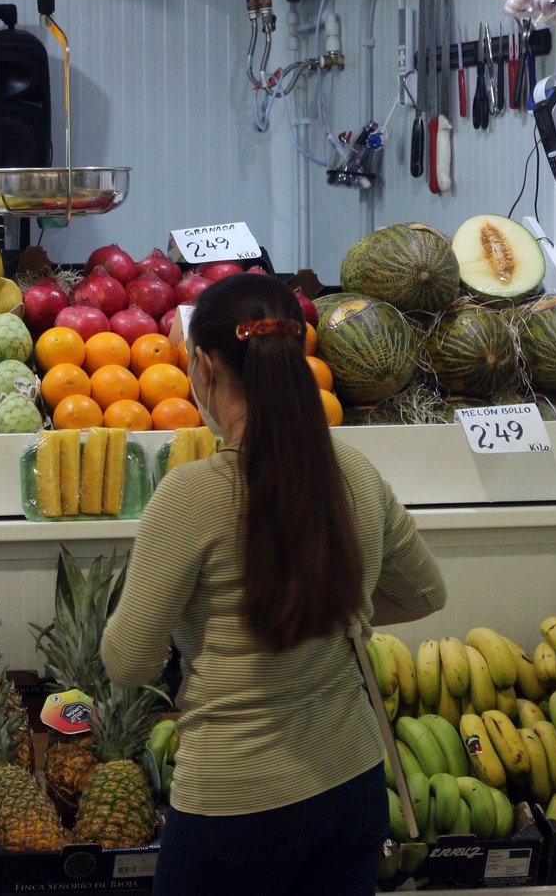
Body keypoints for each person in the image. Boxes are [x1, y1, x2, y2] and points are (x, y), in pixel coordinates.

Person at [102, 274, 447, 896]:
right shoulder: (353, 468)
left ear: (203, 364)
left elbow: (128, 662)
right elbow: (424, 593)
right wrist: (333, 608)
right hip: (354, 784)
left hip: (235, 799)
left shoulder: (192, 492)